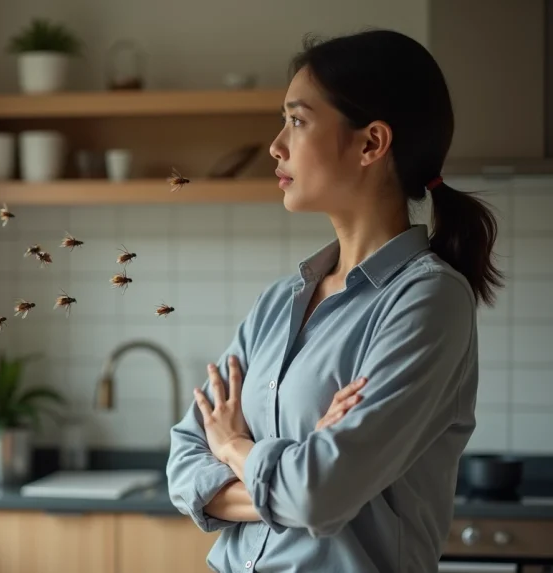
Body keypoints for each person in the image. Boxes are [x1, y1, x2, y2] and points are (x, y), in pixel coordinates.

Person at [166, 28, 504, 573]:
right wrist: (293, 473)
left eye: (297, 121)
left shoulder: (429, 300)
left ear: (371, 143)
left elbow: (317, 494)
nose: (276, 145)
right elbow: (184, 465)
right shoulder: (279, 302)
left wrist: (232, 448)